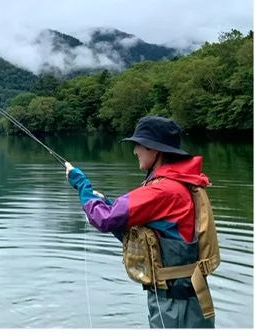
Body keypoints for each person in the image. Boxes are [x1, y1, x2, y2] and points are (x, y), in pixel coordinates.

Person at [66, 116, 217, 328]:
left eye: (138, 145)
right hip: (187, 300)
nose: (135, 151)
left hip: (175, 306)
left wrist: (81, 185)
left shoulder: (163, 190)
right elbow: (139, 232)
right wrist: (106, 202)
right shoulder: (179, 185)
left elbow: (105, 219)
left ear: (155, 150)